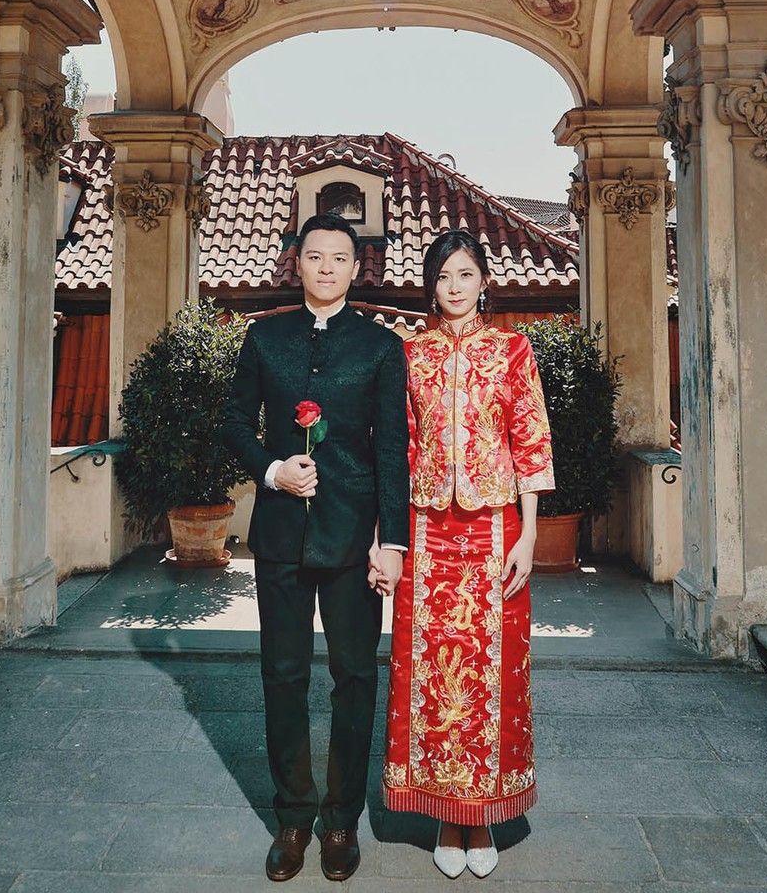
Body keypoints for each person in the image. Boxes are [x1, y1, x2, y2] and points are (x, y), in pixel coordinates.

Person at [222, 213, 410, 883]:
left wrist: (394, 542)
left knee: (356, 679)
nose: (327, 268)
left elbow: (391, 452)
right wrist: (274, 470)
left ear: (358, 268)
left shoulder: (381, 347)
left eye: (340, 258)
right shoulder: (264, 337)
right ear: (295, 262)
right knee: (283, 677)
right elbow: (236, 422)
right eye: (315, 256)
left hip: (356, 539)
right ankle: (294, 818)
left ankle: (340, 823)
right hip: (279, 537)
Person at [380, 229, 555, 878]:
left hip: (493, 534)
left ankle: (480, 819)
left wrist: (529, 536)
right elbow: (396, 451)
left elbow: (531, 442)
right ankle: (445, 822)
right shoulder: (410, 355)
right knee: (430, 678)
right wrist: (390, 537)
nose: (454, 287)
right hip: (427, 535)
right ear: (432, 285)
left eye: (464, 274)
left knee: (492, 673)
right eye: (443, 276)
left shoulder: (512, 350)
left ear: (484, 280)